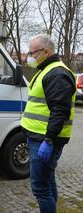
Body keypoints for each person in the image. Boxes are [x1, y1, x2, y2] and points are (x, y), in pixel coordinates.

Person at [21, 34, 76, 213]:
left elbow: (59, 111)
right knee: (48, 181)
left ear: (47, 51)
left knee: (40, 188)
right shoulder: (46, 69)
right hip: (38, 138)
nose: (30, 57)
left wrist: (49, 140)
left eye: (33, 53)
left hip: (45, 140)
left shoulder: (57, 73)